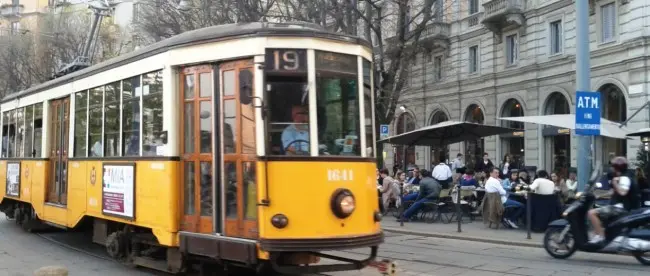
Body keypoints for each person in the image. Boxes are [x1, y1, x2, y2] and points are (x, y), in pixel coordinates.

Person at [588, 156, 641, 244]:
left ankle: (600, 237)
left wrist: (614, 183)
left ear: (617, 167)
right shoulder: (622, 176)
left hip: (620, 208)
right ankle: (603, 234)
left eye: (613, 166)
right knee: (600, 210)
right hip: (619, 206)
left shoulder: (624, 178)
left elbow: (623, 192)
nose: (611, 168)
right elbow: (613, 192)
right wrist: (599, 195)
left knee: (591, 213)